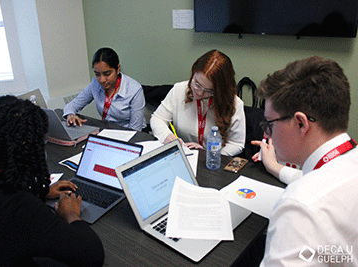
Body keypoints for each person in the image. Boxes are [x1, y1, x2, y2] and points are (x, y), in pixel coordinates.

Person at [0, 95, 105, 267]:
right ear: (26, 147)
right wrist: (71, 214)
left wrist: (37, 192)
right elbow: (92, 255)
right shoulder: (19, 206)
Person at [254, 56, 357, 266]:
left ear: (301, 123)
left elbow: (311, 190)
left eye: (269, 124)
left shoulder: (299, 207)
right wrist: (275, 167)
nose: (267, 133)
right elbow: (319, 178)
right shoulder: (347, 161)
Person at [150, 50, 245, 156]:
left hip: (212, 162)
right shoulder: (179, 89)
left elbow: (236, 144)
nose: (199, 93)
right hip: (183, 155)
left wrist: (211, 155)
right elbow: (158, 118)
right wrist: (166, 135)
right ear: (193, 73)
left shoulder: (235, 104)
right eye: (197, 84)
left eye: (209, 90)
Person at [63, 47, 146, 131]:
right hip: (108, 130)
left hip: (130, 133)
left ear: (118, 69)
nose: (102, 80)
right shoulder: (95, 83)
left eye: (107, 74)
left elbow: (135, 130)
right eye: (97, 74)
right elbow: (72, 105)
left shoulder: (134, 90)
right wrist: (70, 115)